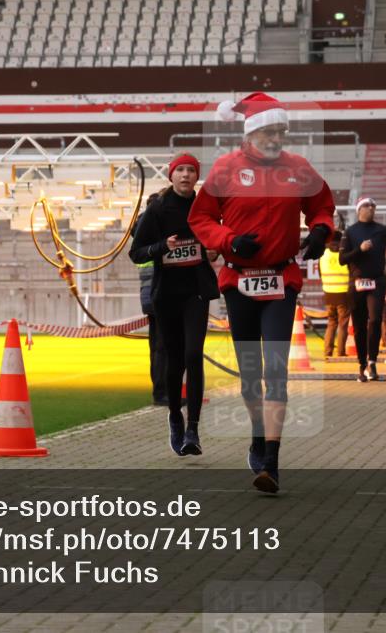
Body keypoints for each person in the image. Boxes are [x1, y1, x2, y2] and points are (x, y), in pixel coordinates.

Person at [189, 92, 335, 493]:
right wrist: (230, 241)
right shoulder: (225, 169)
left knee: (276, 371)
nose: (276, 138)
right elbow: (200, 217)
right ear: (252, 132)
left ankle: (271, 459)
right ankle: (257, 433)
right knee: (251, 375)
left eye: (281, 131)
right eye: (269, 131)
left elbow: (322, 205)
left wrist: (322, 229)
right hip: (239, 282)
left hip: (280, 282)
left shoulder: (298, 168)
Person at [130, 154, 218, 457]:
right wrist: (160, 247)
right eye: (180, 170)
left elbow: (216, 240)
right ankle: (174, 416)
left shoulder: (205, 208)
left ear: (197, 177)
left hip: (196, 291)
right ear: (171, 175)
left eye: (191, 170)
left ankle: (192, 429)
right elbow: (136, 253)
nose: (185, 175)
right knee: (173, 359)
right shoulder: (157, 210)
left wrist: (214, 249)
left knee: (194, 355)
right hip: (167, 294)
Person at [339, 197, 386, 382]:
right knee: (359, 324)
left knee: (376, 319)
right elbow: (342, 259)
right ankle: (361, 364)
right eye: (367, 206)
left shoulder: (382, 230)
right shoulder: (351, 232)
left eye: (373, 206)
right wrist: (359, 250)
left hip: (377, 281)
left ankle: (372, 361)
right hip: (356, 282)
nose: (371, 208)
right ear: (359, 210)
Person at [132, 192, 168, 406]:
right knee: (162, 346)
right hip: (159, 293)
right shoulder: (150, 228)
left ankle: (163, 391)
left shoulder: (144, 231)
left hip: (152, 294)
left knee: (159, 345)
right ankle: (161, 393)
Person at [319, 230, 351, 358]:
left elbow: (320, 273)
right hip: (343, 294)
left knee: (331, 323)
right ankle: (341, 352)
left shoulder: (323, 255)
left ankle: (328, 351)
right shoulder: (344, 254)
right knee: (343, 324)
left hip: (328, 293)